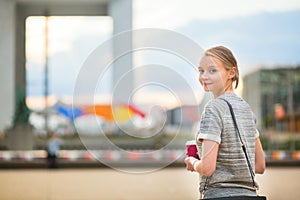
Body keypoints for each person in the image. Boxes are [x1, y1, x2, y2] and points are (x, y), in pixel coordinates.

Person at [185, 46, 265, 199]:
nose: (204, 76)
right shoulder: (246, 109)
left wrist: (193, 162)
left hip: (219, 195)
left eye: (212, 70)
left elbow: (208, 168)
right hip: (249, 196)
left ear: (232, 73)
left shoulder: (213, 108)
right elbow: (260, 166)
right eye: (201, 71)